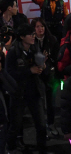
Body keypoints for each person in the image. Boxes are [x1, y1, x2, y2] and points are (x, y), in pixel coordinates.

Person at [5, 24, 48, 154]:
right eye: (31, 35)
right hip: (19, 93)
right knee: (15, 124)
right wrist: (29, 70)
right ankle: (11, 147)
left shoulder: (35, 47)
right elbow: (9, 72)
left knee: (41, 124)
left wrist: (42, 67)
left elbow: (39, 64)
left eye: (34, 34)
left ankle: (42, 149)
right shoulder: (13, 52)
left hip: (34, 91)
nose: (33, 37)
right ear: (22, 37)